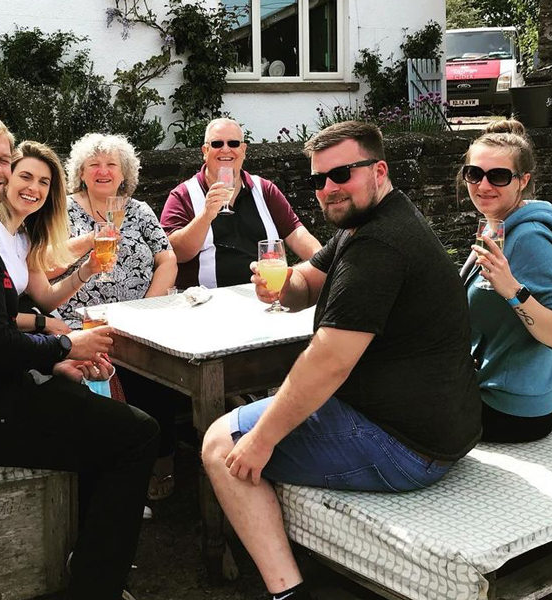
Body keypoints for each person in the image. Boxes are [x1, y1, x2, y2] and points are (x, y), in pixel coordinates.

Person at [201, 121, 481, 600]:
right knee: (270, 413)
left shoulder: (379, 244)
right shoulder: (370, 221)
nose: (329, 189)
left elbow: (329, 361)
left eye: (342, 174)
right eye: (319, 180)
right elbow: (305, 282)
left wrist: (262, 441)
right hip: (439, 428)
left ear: (379, 170)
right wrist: (280, 286)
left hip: (405, 445)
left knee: (220, 444)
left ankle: (287, 592)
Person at [0, 116, 158, 600]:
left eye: (1, 158)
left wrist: (55, 362)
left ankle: (88, 547)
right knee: (138, 434)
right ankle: (96, 585)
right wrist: (65, 346)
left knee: (93, 408)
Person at [51, 132, 180, 501]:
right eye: (94, 164)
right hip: (81, 324)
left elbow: (166, 258)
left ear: (125, 174)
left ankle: (160, 467)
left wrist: (147, 309)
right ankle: (111, 481)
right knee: (103, 388)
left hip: (138, 323)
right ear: (81, 172)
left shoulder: (138, 211)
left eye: (112, 165)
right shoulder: (60, 210)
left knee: (160, 377)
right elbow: (43, 265)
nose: (103, 171)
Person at [461, 119, 552, 443]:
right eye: (474, 173)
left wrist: (511, 290)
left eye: (498, 176)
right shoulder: (496, 225)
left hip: (513, 411)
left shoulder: (531, 238)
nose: (483, 186)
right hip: (501, 392)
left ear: (522, 181)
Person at [161, 117, 321, 290]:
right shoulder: (183, 195)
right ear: (205, 151)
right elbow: (174, 253)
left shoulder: (264, 190)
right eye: (216, 144)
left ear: (243, 150)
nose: (225, 149)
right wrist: (206, 216)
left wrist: (326, 265)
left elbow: (297, 234)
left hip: (264, 295)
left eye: (233, 143)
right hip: (207, 302)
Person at [0, 140, 93, 337]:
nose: (34, 188)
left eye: (44, 182)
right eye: (26, 177)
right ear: (7, 178)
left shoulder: (23, 237)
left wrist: (88, 270)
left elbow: (46, 297)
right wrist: (43, 322)